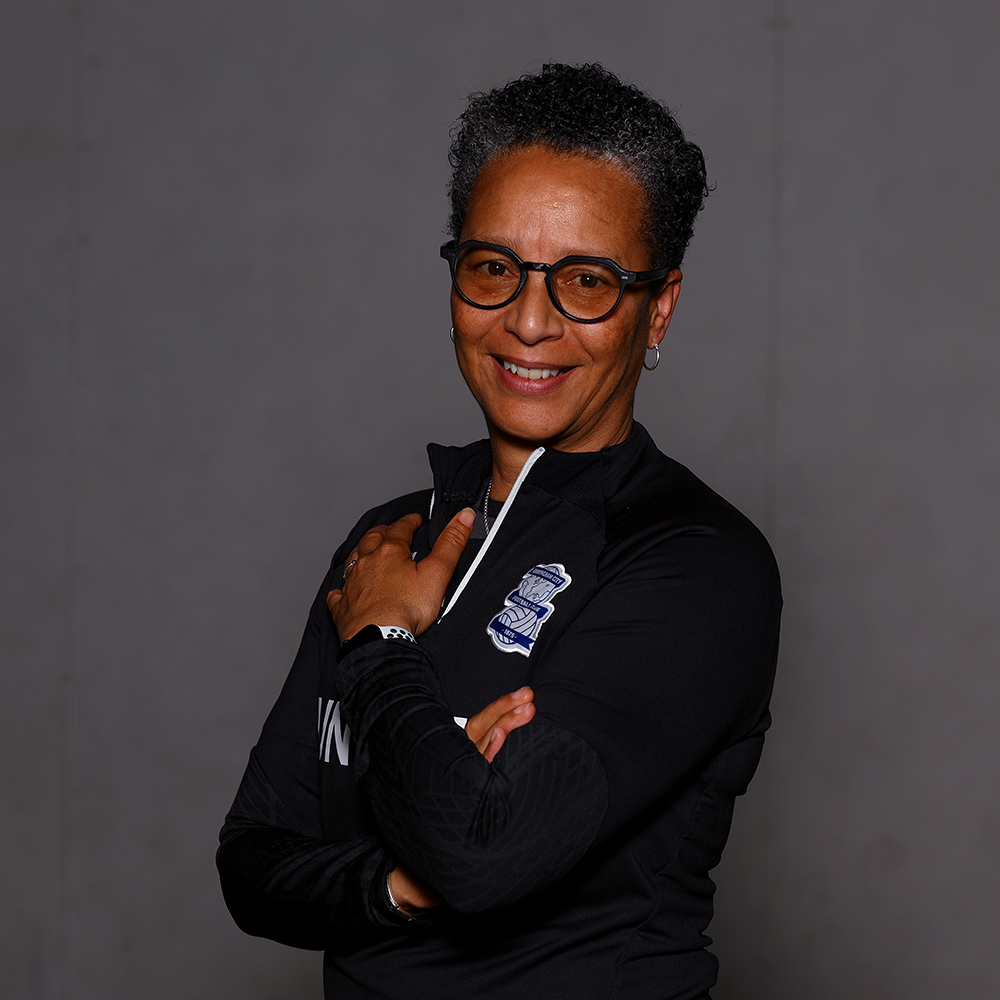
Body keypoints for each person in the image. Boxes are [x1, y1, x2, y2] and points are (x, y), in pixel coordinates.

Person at [217, 62, 781, 1000]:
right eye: (493, 269)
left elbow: (485, 854)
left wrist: (381, 645)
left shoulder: (697, 563)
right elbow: (251, 861)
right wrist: (400, 885)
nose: (527, 321)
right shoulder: (387, 544)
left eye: (587, 282)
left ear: (659, 308)